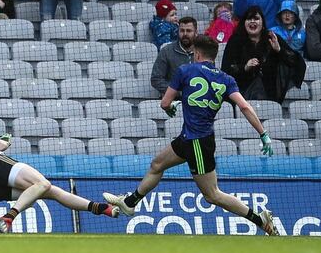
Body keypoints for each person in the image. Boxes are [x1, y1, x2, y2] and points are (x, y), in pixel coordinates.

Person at [104, 35, 279, 236]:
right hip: (192, 138)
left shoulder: (185, 71)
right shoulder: (226, 79)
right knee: (157, 165)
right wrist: (263, 134)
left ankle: (259, 219)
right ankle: (129, 202)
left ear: (196, 53)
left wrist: (172, 106)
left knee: (212, 195)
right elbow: (245, 106)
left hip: (196, 141)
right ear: (214, 56)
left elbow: (164, 103)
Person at [221, 6, 305, 101]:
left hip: (269, 94)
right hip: (240, 93)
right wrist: (245, 67)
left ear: (262, 23)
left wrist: (279, 50)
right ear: (244, 23)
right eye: (249, 19)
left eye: (256, 18)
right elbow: (226, 70)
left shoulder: (272, 38)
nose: (252, 21)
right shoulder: (235, 40)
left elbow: (296, 62)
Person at [150, 15, 197, 93]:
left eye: (189, 31)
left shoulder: (203, 51)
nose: (185, 34)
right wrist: (176, 91)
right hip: (174, 100)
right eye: (182, 31)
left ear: (196, 32)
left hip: (198, 99)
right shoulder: (167, 51)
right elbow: (156, 79)